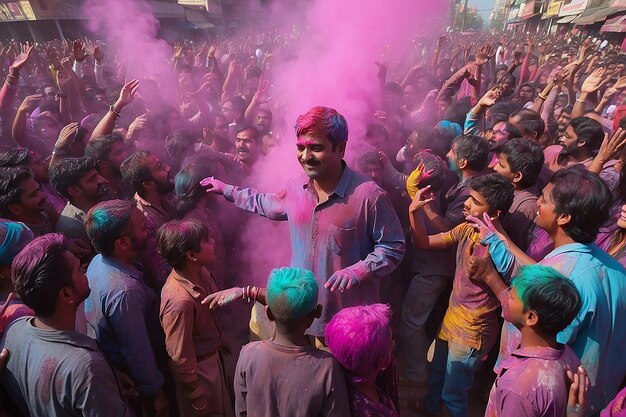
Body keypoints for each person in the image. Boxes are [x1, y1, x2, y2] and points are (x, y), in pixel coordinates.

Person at [200, 106, 405, 341]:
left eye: (316, 148)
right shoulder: (297, 187)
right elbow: (266, 203)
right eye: (300, 147)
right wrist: (227, 190)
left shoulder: (369, 195)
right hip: (302, 318)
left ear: (340, 148)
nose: (306, 156)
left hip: (347, 326)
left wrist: (359, 269)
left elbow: (393, 247)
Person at [475, 166, 626, 415]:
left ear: (564, 217)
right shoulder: (613, 268)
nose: (537, 204)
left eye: (544, 200)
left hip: (542, 401)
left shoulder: (561, 279)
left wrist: (491, 278)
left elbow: (538, 347)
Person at [409, 173, 514, 417]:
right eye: (469, 197)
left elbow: (510, 296)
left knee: (454, 394)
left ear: (495, 214)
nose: (467, 203)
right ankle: (430, 410)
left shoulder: (499, 249)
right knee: (436, 374)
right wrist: (414, 211)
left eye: (476, 202)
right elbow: (423, 242)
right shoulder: (466, 229)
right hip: (452, 319)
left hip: (473, 331)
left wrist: (490, 274)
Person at [0, 233, 133, 417]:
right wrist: (96, 381)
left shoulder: (14, 329)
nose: (85, 271)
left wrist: (109, 378)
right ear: (66, 295)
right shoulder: (86, 369)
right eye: (79, 270)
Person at [84, 199, 169, 416]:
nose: (148, 230)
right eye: (142, 228)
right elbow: (138, 350)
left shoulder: (99, 261)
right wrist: (155, 392)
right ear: (122, 243)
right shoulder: (124, 291)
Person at [233, 267, 350, 416]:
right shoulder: (327, 367)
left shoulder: (248, 355)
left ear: (268, 313)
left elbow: (241, 411)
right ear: (316, 314)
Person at [477, 265, 582, 417]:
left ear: (531, 318)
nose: (506, 298)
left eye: (512, 297)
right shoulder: (569, 357)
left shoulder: (517, 389)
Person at [157, 219, 234, 417]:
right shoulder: (179, 302)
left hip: (211, 360)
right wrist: (196, 395)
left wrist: (217, 340)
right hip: (198, 373)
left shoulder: (200, 272)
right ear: (191, 255)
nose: (214, 242)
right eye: (207, 240)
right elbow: (180, 357)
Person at [325, 303, 399, 417]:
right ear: (380, 361)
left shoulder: (337, 386)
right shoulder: (370, 412)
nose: (394, 345)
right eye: (391, 342)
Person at [120, 151, 174, 291]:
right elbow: (162, 273)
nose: (168, 168)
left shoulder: (164, 198)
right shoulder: (143, 219)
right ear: (148, 184)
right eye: (160, 168)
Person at [492, 138, 544, 250]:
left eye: (501, 165)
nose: (494, 168)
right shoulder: (509, 191)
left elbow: (510, 249)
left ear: (517, 176)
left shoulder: (526, 209)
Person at [49, 156, 108, 250]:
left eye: (97, 175)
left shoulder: (102, 197)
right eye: (92, 179)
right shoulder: (72, 227)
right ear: (74, 190)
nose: (102, 180)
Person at [0, 165, 55, 237]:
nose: (44, 195)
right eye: (34, 194)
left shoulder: (45, 209)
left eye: (39, 189)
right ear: (15, 209)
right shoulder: (18, 238)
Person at [84, 133, 130, 200]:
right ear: (103, 164)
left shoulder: (125, 179)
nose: (125, 155)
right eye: (119, 153)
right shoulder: (99, 194)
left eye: (123, 150)